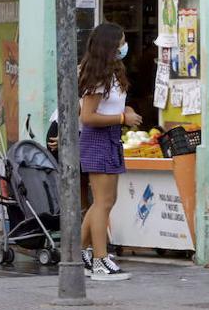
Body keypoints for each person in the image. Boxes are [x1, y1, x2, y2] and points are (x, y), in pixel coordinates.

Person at [78, 22, 142, 281]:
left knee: (106, 201)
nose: (124, 46)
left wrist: (124, 113)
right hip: (98, 139)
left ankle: (83, 252)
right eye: (121, 41)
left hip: (111, 139)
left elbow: (111, 108)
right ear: (110, 45)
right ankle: (99, 260)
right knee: (103, 203)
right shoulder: (96, 76)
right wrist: (121, 118)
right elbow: (88, 116)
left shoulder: (113, 73)